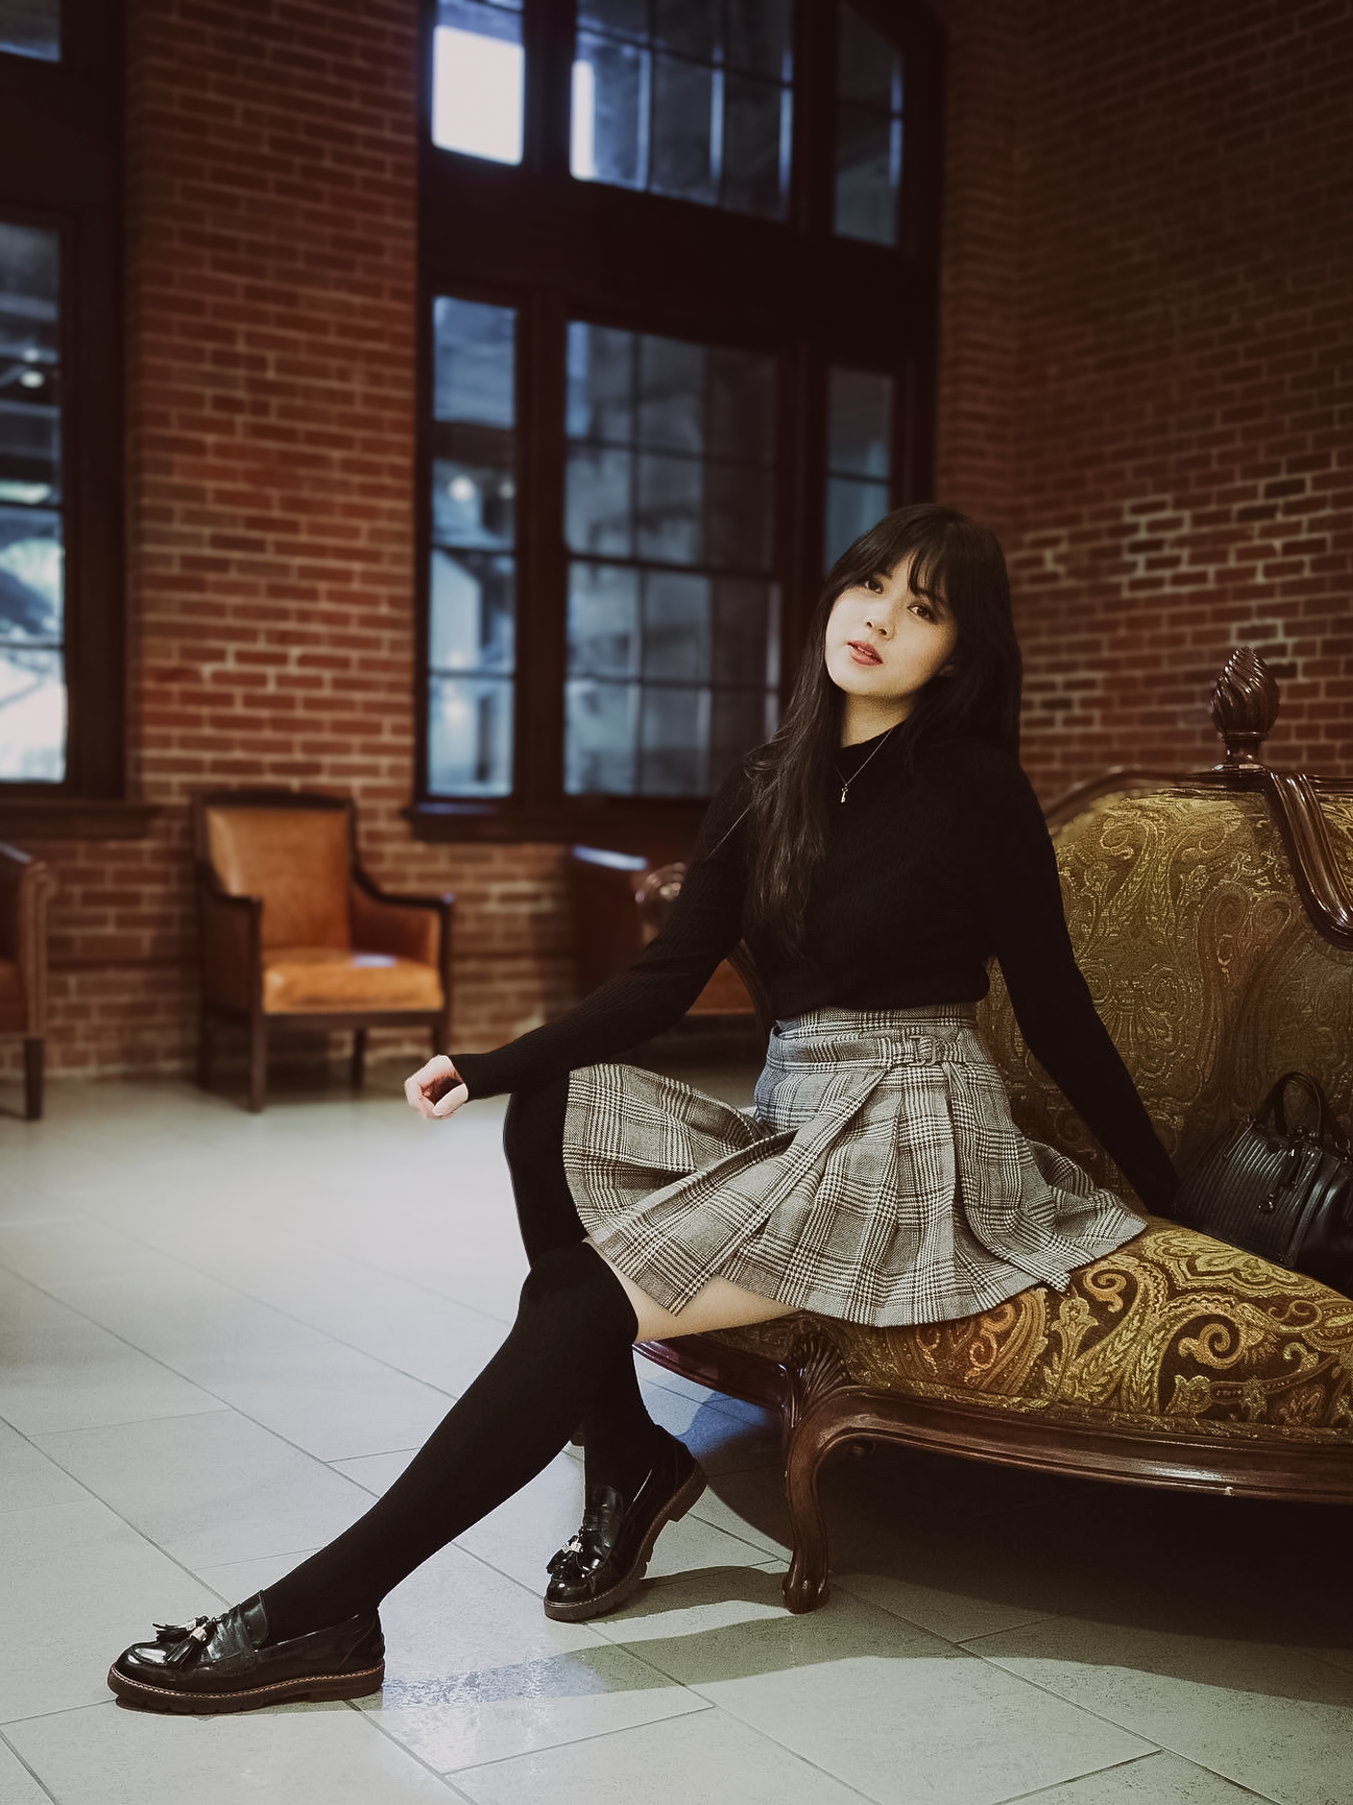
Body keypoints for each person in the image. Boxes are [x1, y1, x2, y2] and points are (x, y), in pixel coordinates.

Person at [107, 504, 1177, 1714]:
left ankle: (329, 1605)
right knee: (556, 1102)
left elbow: (1056, 1007)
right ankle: (623, 1454)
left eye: (920, 608)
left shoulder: (976, 787)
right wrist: (491, 1061)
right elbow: (665, 978)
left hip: (907, 1131)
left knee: (573, 1295)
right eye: (868, 584)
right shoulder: (766, 780)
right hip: (795, 1113)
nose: (878, 618)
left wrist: (1166, 1184)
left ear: (957, 651)